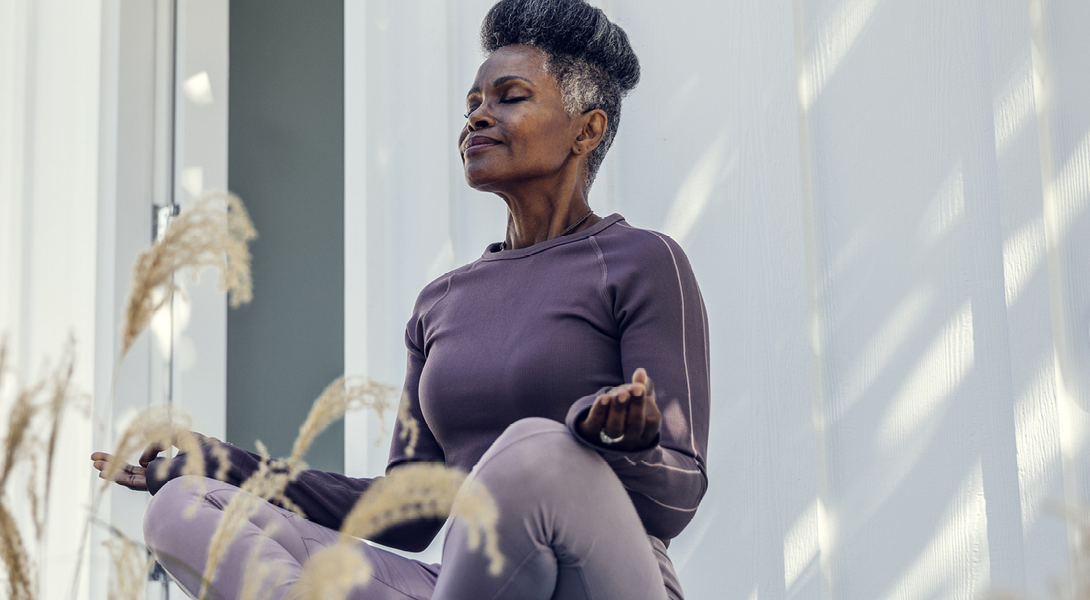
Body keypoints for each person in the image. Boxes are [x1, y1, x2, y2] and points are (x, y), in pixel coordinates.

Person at [91, 0, 709, 598]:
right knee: (185, 507)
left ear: (586, 128)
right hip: (472, 582)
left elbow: (679, 496)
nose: (477, 117)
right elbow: (406, 513)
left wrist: (611, 446)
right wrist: (214, 461)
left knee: (535, 447)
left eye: (509, 97)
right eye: (472, 103)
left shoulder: (642, 262)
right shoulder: (442, 302)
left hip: (605, 580)